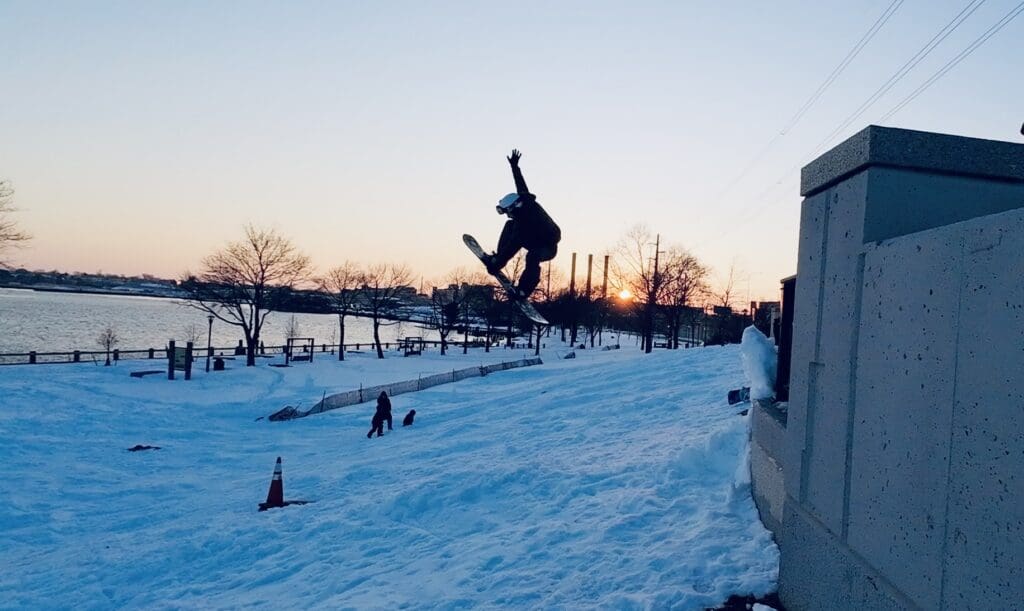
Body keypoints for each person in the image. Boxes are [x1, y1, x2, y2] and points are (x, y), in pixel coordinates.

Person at [482, 149, 561, 301]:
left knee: (532, 256)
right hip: (533, 239)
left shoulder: (526, 221)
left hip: (547, 248)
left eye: (509, 212)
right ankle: (498, 257)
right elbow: (520, 185)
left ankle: (524, 290)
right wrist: (514, 167)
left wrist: (495, 267)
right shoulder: (524, 201)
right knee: (509, 225)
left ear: (515, 208)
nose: (508, 215)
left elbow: (513, 246)